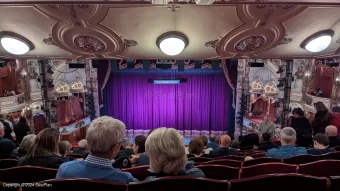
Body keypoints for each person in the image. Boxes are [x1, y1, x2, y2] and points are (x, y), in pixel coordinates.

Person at [56, 116, 138, 183]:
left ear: (88, 143)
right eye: (121, 142)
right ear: (115, 148)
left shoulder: (65, 170)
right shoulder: (124, 179)